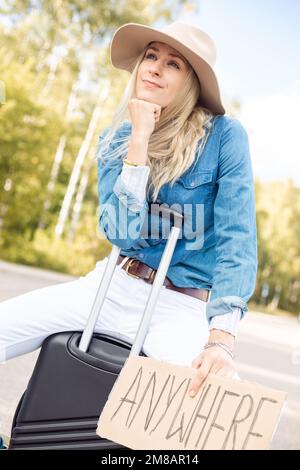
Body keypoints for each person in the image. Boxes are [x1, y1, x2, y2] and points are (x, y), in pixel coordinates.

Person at [0, 21, 257, 413]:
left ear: (190, 84)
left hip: (181, 305)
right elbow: (121, 233)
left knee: (223, 412)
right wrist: (138, 141)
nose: (154, 67)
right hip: (112, 284)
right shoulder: (117, 137)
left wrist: (221, 338)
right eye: (150, 56)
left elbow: (238, 239)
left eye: (173, 64)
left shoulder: (225, 136)